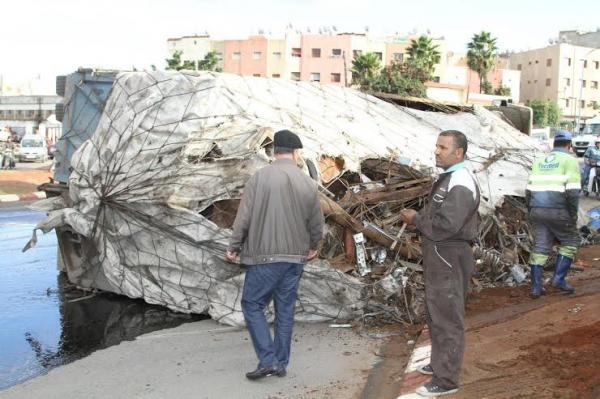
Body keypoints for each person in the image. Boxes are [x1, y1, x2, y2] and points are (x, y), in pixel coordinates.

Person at [226, 129, 324, 381]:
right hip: (295, 259)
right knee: (285, 310)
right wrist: (314, 245)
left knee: (252, 304)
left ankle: (267, 360)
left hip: (264, 258)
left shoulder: (259, 178)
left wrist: (234, 245)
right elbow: (316, 223)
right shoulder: (308, 183)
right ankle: (280, 363)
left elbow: (244, 217)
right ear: (295, 152)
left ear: (275, 151)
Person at [400, 130, 479, 397]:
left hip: (449, 254)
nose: (436, 151)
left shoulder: (460, 182)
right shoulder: (448, 178)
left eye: (443, 148)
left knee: (447, 318)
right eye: (436, 146)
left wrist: (415, 219)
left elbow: (447, 225)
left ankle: (447, 380)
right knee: (437, 313)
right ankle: (438, 364)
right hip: (441, 255)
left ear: (459, 153)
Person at [526, 131, 581, 299]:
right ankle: (558, 279)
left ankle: (536, 287)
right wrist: (572, 215)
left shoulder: (540, 160)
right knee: (571, 241)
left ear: (553, 145)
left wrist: (532, 210)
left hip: (536, 208)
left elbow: (528, 191)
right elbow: (573, 192)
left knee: (540, 247)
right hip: (558, 209)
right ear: (569, 144)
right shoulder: (570, 160)